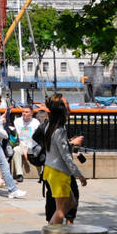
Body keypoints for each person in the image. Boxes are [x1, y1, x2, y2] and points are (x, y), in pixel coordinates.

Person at [38, 95, 88, 223]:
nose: (68, 111)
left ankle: (54, 230)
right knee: (60, 210)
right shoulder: (59, 131)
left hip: (50, 169)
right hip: (59, 172)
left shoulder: (49, 126)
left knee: (71, 202)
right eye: (66, 108)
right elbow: (66, 157)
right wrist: (80, 175)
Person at [10, 106, 39, 183]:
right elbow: (19, 137)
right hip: (22, 145)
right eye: (23, 112)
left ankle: (42, 174)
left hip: (33, 145)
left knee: (40, 150)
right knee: (16, 150)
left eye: (26, 112)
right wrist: (24, 150)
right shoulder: (17, 122)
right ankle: (19, 175)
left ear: (31, 114)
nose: (24, 113)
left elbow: (38, 137)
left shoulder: (36, 122)